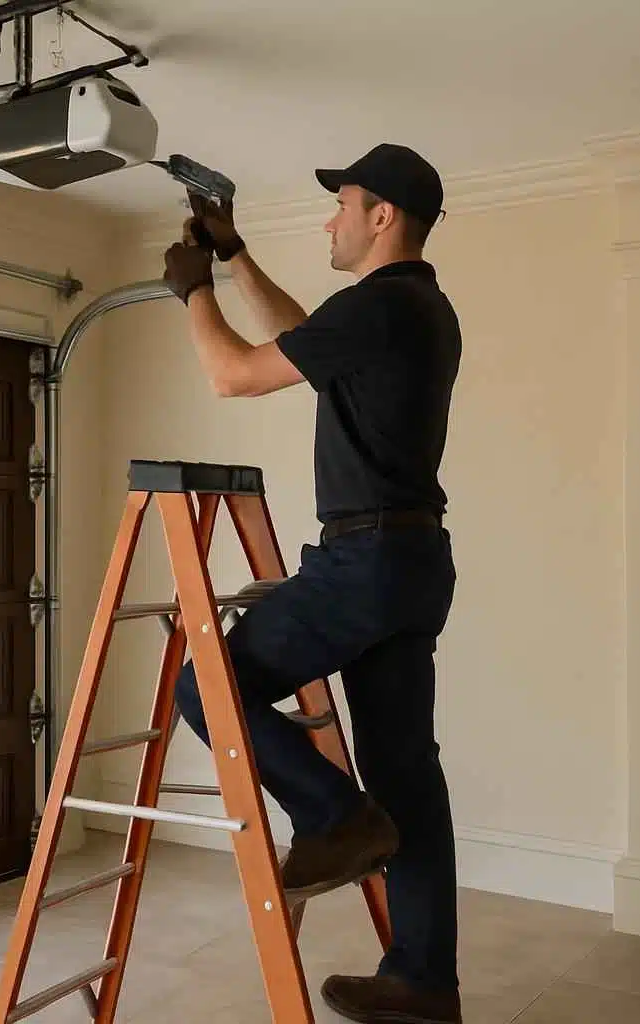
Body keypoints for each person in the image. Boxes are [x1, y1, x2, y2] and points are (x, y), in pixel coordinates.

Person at [160, 143, 464, 1024]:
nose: (332, 219)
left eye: (345, 204)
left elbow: (235, 374)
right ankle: (423, 983)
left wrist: (194, 291)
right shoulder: (413, 308)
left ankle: (333, 815)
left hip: (363, 563)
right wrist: (234, 253)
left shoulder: (382, 307)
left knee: (204, 685)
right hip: (411, 564)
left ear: (383, 218)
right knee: (408, 778)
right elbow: (299, 332)